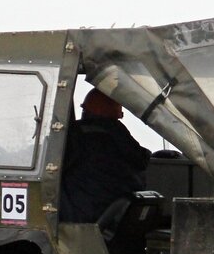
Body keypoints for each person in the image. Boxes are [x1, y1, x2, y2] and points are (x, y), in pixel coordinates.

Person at [58, 88, 151, 224]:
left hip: (86, 213)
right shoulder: (122, 137)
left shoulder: (78, 136)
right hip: (116, 215)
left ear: (89, 112)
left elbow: (55, 164)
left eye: (85, 110)